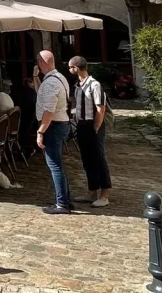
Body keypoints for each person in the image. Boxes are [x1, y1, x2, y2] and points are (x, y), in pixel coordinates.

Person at [69, 57, 112, 207]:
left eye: (70, 67)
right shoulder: (78, 85)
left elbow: (101, 108)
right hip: (81, 125)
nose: (69, 70)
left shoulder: (94, 85)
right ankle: (91, 191)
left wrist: (95, 127)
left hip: (93, 126)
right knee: (87, 159)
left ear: (76, 68)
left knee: (99, 159)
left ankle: (104, 195)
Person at [35, 50, 72, 214]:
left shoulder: (51, 83)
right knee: (58, 164)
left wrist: (41, 131)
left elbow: (48, 110)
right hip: (61, 123)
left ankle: (62, 204)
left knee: (55, 165)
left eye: (38, 62)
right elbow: (42, 96)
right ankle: (65, 200)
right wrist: (35, 78)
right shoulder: (58, 78)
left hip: (53, 125)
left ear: (43, 63)